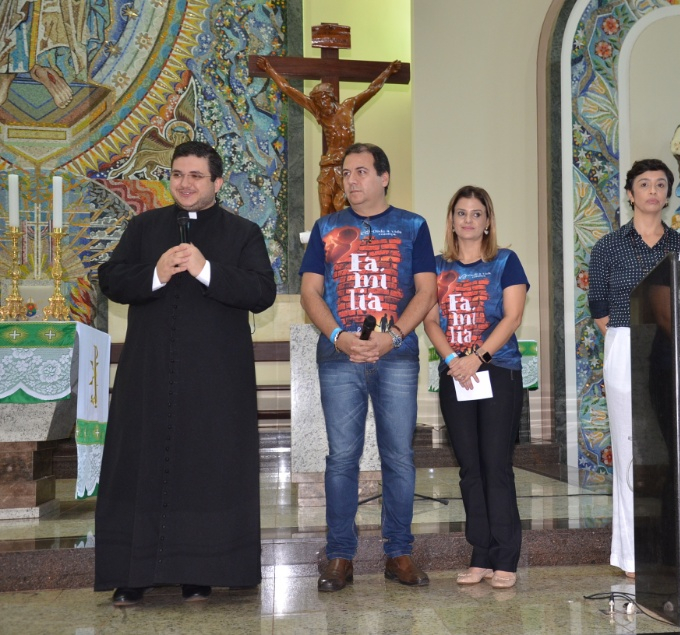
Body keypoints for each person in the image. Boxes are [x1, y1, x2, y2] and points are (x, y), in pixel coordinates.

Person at [94, 141, 277, 606]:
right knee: (140, 465)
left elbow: (262, 292)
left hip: (215, 379)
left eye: (196, 176)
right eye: (178, 174)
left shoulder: (242, 233)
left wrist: (207, 269)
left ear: (217, 183)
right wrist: (154, 273)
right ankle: (131, 575)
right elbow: (112, 278)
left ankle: (202, 570)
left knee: (206, 469)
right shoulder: (143, 227)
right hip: (149, 375)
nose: (185, 183)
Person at [300, 142, 436, 592]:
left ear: (384, 177)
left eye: (360, 171)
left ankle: (398, 553)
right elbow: (310, 293)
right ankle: (340, 555)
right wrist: (340, 338)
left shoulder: (413, 227)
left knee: (398, 456)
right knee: (342, 458)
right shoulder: (326, 227)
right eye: (345, 173)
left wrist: (392, 336)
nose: (351, 180)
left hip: (396, 358)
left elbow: (426, 291)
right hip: (340, 358)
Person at [587, 158, 680, 577]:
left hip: (677, 349)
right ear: (630, 193)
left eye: (661, 184)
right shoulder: (608, 247)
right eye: (644, 184)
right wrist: (633, 340)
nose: (653, 191)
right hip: (626, 347)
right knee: (631, 450)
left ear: (669, 194)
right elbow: (599, 307)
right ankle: (633, 554)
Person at [423, 186, 529, 590]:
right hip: (455, 375)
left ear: (488, 221)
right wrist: (453, 360)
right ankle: (480, 554)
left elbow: (513, 317)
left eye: (477, 213)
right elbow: (431, 320)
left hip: (497, 371)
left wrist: (477, 358)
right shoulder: (435, 266)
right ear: (451, 220)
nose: (468, 220)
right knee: (469, 468)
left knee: (495, 466)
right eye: (461, 213)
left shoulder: (505, 261)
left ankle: (506, 556)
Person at [256, 56, 402, 217]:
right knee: (325, 208)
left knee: (340, 205)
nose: (322, 104)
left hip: (344, 167)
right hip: (328, 165)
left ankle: (343, 239)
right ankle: (325, 240)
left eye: (324, 99)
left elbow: (371, 89)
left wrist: (388, 71)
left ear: (331, 97)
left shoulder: (348, 106)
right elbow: (288, 90)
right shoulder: (319, 112)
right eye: (318, 101)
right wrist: (269, 69)